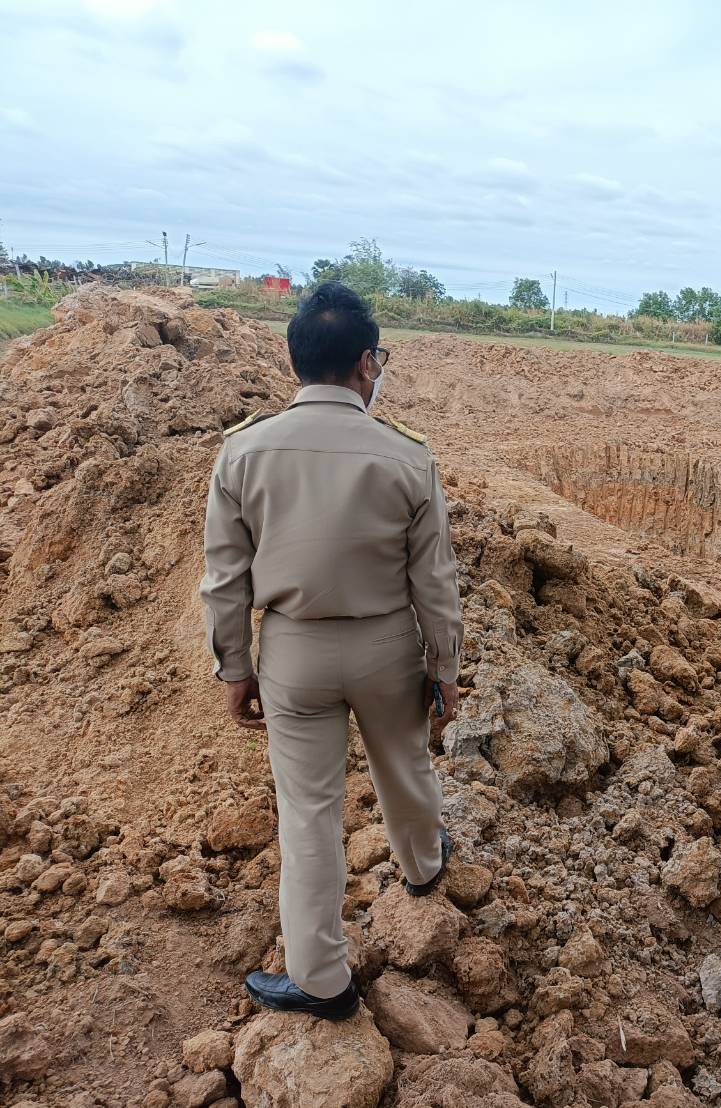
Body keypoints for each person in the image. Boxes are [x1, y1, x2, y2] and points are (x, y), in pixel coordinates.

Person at [199, 281, 463, 1020]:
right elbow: (434, 582)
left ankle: (321, 981)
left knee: (308, 814)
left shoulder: (243, 452)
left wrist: (234, 667)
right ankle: (422, 866)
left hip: (293, 655)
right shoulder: (407, 457)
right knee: (404, 764)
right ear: (365, 365)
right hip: (386, 647)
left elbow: (224, 578)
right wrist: (444, 670)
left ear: (296, 362)